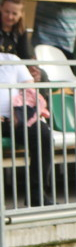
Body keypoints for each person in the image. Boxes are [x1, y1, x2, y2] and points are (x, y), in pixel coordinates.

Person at [0, 51, 55, 207]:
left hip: (16, 118)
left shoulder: (11, 59)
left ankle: (36, 194)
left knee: (43, 135)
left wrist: (22, 114)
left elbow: (30, 91)